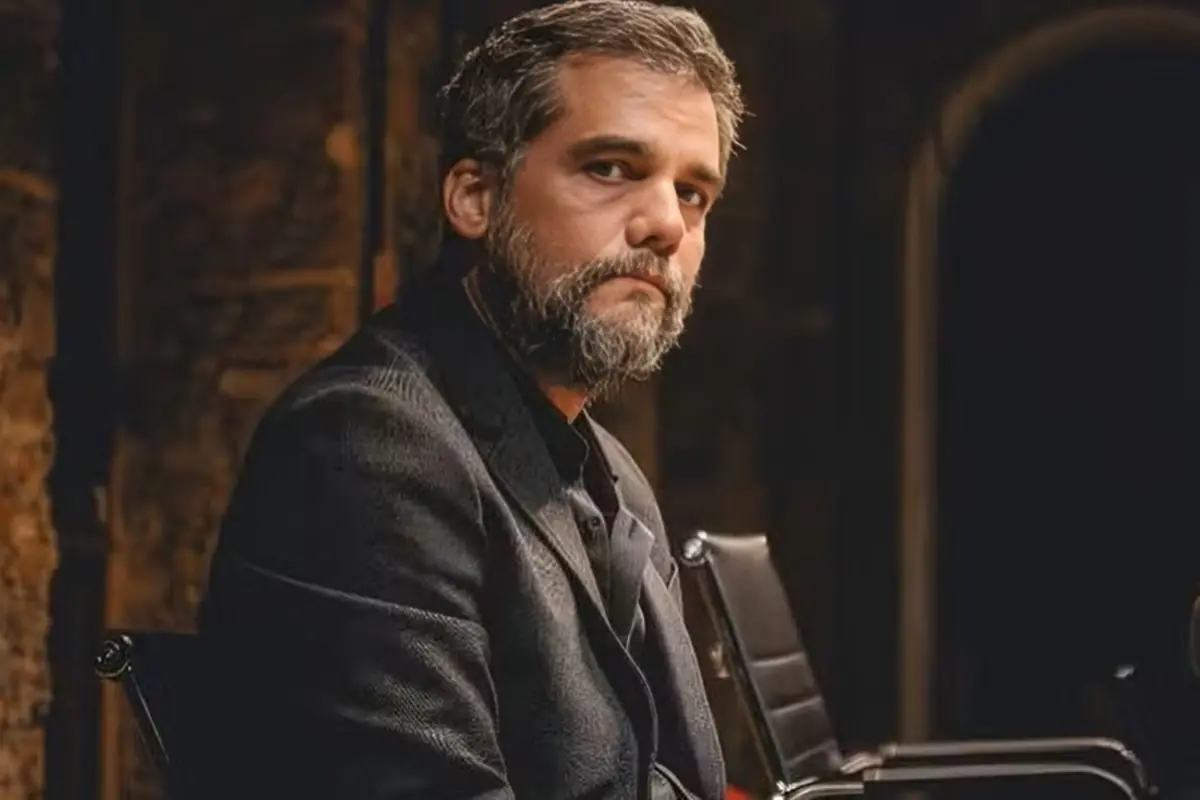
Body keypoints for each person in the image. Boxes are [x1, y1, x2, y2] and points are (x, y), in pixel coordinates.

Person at [194, 1, 744, 797]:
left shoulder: (615, 477)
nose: (666, 223)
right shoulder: (367, 445)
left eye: (694, 193)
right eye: (610, 168)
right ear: (475, 197)